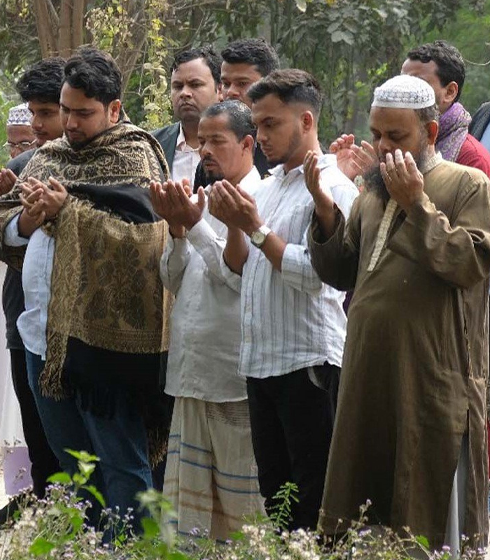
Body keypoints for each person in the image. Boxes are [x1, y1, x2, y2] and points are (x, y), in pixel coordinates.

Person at [0, 46, 171, 534]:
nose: (70, 123)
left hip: (107, 343)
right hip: (41, 338)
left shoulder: (136, 155)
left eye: (84, 113)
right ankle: (87, 544)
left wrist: (67, 213)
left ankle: (133, 545)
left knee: (120, 461)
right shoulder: (46, 156)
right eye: (66, 110)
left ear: (114, 110)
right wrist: (29, 218)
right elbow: (4, 223)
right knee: (72, 464)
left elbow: (146, 238)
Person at [309, 74, 490, 553]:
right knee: (363, 505)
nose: (382, 147)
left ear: (430, 134)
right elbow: (344, 269)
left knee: (426, 515)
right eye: (376, 134)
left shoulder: (468, 184)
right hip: (368, 376)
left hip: (430, 379)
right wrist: (326, 211)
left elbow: (470, 264)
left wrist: (417, 204)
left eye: (396, 136)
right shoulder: (371, 192)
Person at [207, 69, 358, 531]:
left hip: (307, 361)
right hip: (260, 362)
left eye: (271, 123)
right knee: (277, 497)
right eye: (258, 124)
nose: (261, 135)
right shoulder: (267, 187)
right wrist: (233, 223)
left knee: (313, 498)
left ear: (307, 121)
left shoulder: (335, 188)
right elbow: (238, 273)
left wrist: (254, 228)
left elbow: (320, 277)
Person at [150, 100, 264, 540]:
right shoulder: (201, 195)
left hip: (233, 377)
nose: (206, 151)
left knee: (243, 511)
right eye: (202, 142)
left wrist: (194, 228)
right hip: (190, 372)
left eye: (218, 141)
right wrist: (178, 232)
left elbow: (238, 279)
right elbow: (173, 279)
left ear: (247, 143)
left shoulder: (261, 197)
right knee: (189, 517)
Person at [0, 58, 65, 530]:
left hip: (75, 328)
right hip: (21, 318)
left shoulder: (105, 164)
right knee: (32, 423)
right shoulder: (16, 168)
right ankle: (41, 511)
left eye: (46, 113)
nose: (37, 127)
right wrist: (4, 219)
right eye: (33, 115)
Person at [0, 104, 37, 523]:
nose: (17, 151)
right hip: (6, 304)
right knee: (9, 401)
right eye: (12, 144)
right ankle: (18, 494)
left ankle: (45, 493)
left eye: (26, 143)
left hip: (38, 306)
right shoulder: (5, 186)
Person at [401, 40, 490, 176]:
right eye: (401, 83)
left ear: (450, 92)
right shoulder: (393, 142)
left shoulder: (472, 160)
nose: (404, 92)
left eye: (418, 84)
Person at [152, 46, 222, 185]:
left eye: (195, 84)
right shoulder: (152, 146)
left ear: (220, 89)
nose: (184, 93)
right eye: (177, 86)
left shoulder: (241, 143)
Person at [220, 38, 278, 177]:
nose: (230, 92)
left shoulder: (287, 149)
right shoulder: (213, 149)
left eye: (242, 83)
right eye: (226, 84)